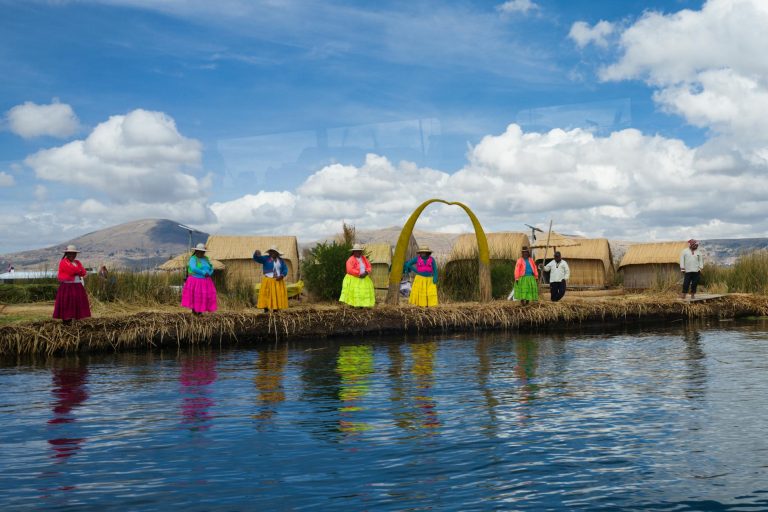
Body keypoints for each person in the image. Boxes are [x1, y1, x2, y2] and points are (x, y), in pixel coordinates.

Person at [53, 245, 91, 323]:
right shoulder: (63, 262)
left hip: (77, 286)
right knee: (67, 304)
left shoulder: (77, 262)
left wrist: (80, 272)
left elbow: (84, 272)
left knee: (77, 303)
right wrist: (80, 272)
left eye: (74, 253)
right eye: (70, 253)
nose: (72, 255)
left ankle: (75, 321)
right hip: (67, 287)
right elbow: (72, 271)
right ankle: (67, 322)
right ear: (66, 254)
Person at [180, 243, 217, 315]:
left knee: (204, 296)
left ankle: (200, 312)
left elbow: (211, 266)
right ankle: (194, 311)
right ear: (196, 251)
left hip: (206, 280)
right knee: (196, 296)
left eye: (203, 251)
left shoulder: (206, 258)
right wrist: (203, 272)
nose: (202, 253)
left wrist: (210, 272)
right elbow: (193, 268)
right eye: (200, 251)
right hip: (196, 280)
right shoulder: (193, 259)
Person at [253, 246, 289, 312]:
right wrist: (256, 254)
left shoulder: (281, 261)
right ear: (269, 252)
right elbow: (257, 258)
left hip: (278, 280)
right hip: (268, 280)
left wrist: (282, 275)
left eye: (274, 251)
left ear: (277, 253)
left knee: (277, 295)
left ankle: (276, 309)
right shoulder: (266, 259)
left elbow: (285, 269)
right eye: (271, 251)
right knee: (266, 294)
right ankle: (266, 309)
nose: (272, 253)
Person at [339, 243, 375, 307]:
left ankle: (363, 305)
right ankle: (354, 305)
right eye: (357, 251)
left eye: (359, 251)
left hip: (364, 277)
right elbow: (349, 270)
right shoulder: (350, 260)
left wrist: (366, 272)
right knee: (355, 292)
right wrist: (359, 274)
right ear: (354, 252)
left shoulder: (363, 258)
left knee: (363, 292)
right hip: (354, 279)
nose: (358, 252)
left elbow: (369, 266)